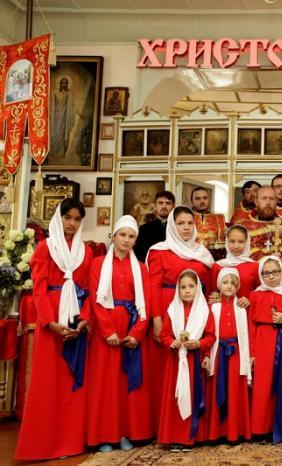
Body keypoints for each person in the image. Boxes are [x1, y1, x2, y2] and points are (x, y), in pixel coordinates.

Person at [15, 198, 93, 460]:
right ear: (58, 219)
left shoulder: (85, 251)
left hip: (75, 319)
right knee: (48, 382)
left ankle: (70, 443)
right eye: (67, 218)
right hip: (52, 321)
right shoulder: (44, 248)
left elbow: (88, 290)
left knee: (71, 383)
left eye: (77, 219)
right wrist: (50, 322)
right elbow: (39, 290)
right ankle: (43, 445)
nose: (72, 224)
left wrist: (84, 319)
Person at [87, 215, 152, 452]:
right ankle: (105, 435)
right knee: (106, 383)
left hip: (131, 325)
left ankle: (126, 432)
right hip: (107, 328)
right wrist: (107, 331)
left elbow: (146, 303)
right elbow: (96, 300)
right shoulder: (98, 264)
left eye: (131, 236)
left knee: (127, 383)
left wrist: (137, 333)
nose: (126, 240)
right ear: (113, 236)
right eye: (122, 235)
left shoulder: (141, 268)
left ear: (136, 240)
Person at [147, 206, 214, 430]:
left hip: (196, 315)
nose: (186, 228)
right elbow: (153, 287)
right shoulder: (159, 251)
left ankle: (190, 425)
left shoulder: (202, 253)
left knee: (193, 367)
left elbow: (209, 287)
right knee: (167, 369)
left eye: (190, 223)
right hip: (168, 311)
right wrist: (157, 319)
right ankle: (164, 424)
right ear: (172, 225)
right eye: (180, 223)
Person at [158, 270, 216, 449]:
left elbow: (211, 336)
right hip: (177, 361)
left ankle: (194, 436)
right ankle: (175, 436)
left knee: (193, 394)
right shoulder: (172, 310)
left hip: (195, 360)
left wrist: (199, 343)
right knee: (177, 395)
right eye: (183, 287)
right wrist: (172, 342)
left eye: (191, 286)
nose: (187, 290)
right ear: (178, 289)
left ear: (198, 288)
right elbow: (164, 334)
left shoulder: (205, 311)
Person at [249, 256, 282, 443]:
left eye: (275, 272)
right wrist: (252, 353)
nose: (271, 276)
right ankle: (261, 428)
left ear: (281, 272)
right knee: (263, 386)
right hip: (262, 343)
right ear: (261, 275)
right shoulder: (255, 296)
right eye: (267, 273)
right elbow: (251, 325)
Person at [204, 268, 252, 443]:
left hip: (237, 353)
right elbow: (208, 332)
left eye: (233, 283)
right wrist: (207, 354)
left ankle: (234, 432)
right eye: (225, 282)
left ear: (238, 286)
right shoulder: (213, 307)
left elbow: (249, 332)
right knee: (218, 388)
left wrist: (251, 354)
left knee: (235, 390)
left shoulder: (242, 307)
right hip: (219, 353)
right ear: (219, 285)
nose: (229, 286)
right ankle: (217, 432)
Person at [234, 186, 282, 270]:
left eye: (271, 199)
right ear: (256, 202)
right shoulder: (243, 228)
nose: (268, 202)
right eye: (264, 198)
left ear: (276, 201)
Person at [210, 225, 260, 305]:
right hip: (224, 311)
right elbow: (212, 295)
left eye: (241, 242)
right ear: (227, 242)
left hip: (248, 311)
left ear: (247, 242)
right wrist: (214, 298)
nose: (236, 246)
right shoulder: (218, 266)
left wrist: (250, 299)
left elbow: (261, 294)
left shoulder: (256, 267)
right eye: (232, 241)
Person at [134, 190, 175, 262]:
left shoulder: (177, 229)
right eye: (160, 203)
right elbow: (138, 256)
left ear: (173, 207)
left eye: (168, 203)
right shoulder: (144, 229)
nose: (164, 206)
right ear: (155, 206)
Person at [49, 76, 75, 159]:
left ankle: (61, 154)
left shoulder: (69, 93)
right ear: (59, 84)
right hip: (56, 116)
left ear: (67, 84)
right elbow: (52, 105)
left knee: (63, 134)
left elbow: (71, 106)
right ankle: (53, 152)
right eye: (62, 83)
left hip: (64, 118)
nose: (64, 84)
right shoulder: (55, 92)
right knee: (55, 134)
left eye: (65, 83)